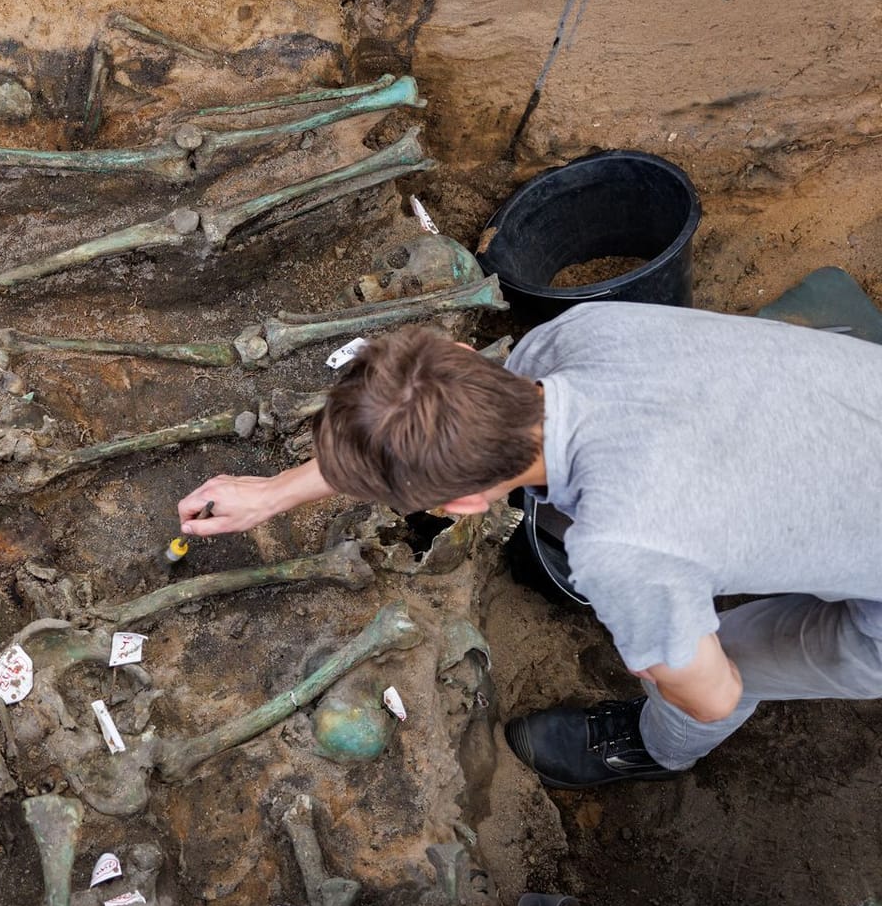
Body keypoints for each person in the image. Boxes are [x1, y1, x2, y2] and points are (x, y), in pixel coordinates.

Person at [175, 302, 882, 789]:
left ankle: (652, 752)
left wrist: (663, 661)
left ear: (462, 508)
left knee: (733, 662)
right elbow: (418, 416)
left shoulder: (620, 543)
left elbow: (713, 694)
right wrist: (275, 491)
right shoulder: (580, 336)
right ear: (458, 355)